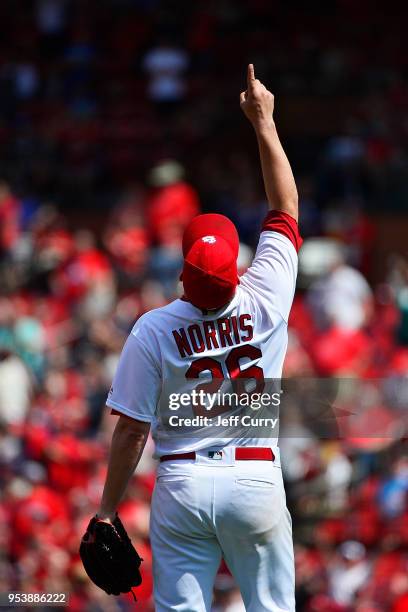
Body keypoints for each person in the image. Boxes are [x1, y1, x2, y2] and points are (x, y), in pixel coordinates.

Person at [96, 64, 301, 611]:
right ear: (237, 269)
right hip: (255, 475)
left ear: (182, 274)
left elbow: (131, 433)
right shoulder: (267, 296)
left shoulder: (154, 327)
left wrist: (107, 509)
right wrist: (264, 122)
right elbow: (284, 209)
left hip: (182, 482)